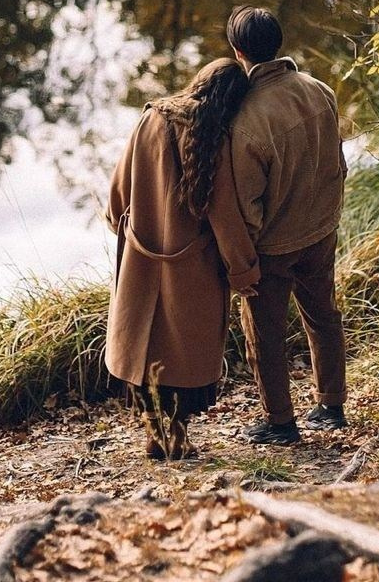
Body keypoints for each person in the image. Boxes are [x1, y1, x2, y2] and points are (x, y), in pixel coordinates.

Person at [105, 58, 260, 460]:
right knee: (182, 357)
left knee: (145, 349)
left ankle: (158, 434)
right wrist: (243, 270)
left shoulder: (149, 119)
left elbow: (119, 188)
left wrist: (120, 221)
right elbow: (225, 215)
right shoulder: (216, 136)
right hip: (194, 266)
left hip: (142, 254)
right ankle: (175, 436)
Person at [225, 5, 348, 445]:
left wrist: (243, 256)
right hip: (320, 229)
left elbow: (246, 205)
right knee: (323, 316)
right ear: (277, 42)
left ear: (238, 51)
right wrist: (328, 213)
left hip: (275, 245)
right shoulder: (319, 89)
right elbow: (338, 161)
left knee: (265, 332)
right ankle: (331, 405)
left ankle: (280, 422)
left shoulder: (246, 120)